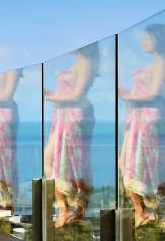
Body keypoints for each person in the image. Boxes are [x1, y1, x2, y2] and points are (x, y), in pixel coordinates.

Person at [119, 23, 165, 227]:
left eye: (147, 38)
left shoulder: (162, 62)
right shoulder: (155, 62)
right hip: (138, 117)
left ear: (158, 40)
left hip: (149, 117)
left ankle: (149, 210)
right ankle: (141, 209)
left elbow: (154, 93)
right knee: (126, 162)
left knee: (146, 163)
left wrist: (127, 96)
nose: (143, 42)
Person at [44, 44, 99, 228]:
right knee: (51, 161)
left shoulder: (86, 64)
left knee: (73, 163)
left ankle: (76, 209)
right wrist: (52, 94)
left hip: (75, 115)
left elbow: (77, 95)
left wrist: (50, 97)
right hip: (63, 115)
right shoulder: (78, 63)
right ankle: (66, 207)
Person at [0, 69, 21, 212]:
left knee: (4, 159)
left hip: (4, 115)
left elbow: (7, 95)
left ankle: (7, 201)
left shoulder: (12, 68)